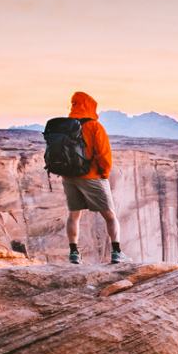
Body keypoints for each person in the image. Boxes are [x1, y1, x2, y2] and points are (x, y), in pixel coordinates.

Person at [62, 91, 122, 264]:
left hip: (69, 177)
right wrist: (104, 174)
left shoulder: (65, 126)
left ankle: (74, 253)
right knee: (110, 216)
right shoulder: (94, 126)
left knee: (74, 216)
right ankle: (117, 252)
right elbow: (104, 155)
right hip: (92, 176)